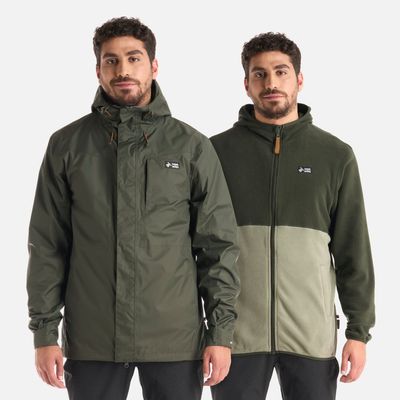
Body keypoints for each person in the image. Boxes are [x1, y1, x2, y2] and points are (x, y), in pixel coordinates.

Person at [26, 16, 240, 400]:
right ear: (98, 70)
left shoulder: (191, 146)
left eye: (133, 58)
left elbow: (218, 246)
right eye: (111, 60)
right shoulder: (67, 145)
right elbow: (48, 245)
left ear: (153, 66)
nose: (123, 69)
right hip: (93, 340)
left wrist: (221, 333)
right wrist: (44, 333)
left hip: (175, 341)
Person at [210, 32, 375, 400]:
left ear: (299, 79)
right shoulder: (215, 153)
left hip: (310, 336)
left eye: (281, 72)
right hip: (235, 337)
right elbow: (198, 249)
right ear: (246, 84)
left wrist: (358, 331)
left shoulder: (335, 155)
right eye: (260, 74)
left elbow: (353, 250)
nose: (271, 83)